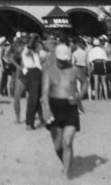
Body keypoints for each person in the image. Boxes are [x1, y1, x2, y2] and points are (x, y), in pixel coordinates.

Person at [41, 43, 84, 179]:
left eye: (64, 60)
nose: (62, 62)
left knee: (67, 141)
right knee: (58, 144)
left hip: (70, 107)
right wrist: (47, 109)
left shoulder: (74, 69)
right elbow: (45, 91)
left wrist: (79, 95)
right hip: (54, 107)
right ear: (56, 58)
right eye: (60, 59)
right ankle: (66, 163)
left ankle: (66, 174)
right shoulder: (48, 70)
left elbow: (85, 82)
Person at [21, 34, 44, 130]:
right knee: (33, 99)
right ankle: (29, 123)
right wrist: (34, 37)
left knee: (37, 97)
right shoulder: (27, 49)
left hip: (37, 73)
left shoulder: (34, 51)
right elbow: (29, 46)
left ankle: (43, 118)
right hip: (32, 73)